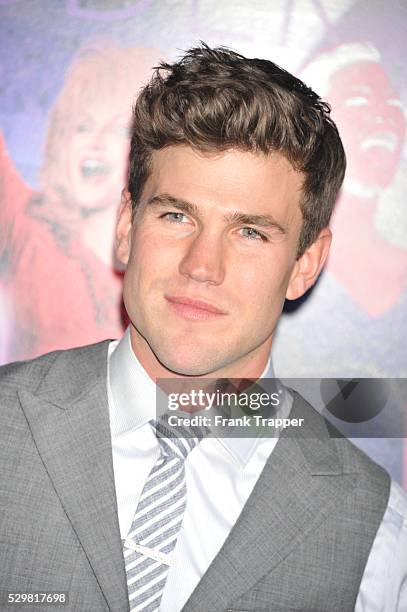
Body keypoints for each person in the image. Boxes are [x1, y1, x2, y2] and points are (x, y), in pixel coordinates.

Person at [1, 44, 406, 612]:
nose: (201, 267)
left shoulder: (377, 534)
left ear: (306, 264)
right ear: (125, 226)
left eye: (250, 233)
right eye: (176, 215)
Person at [0, 44, 160, 361]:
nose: (96, 141)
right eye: (83, 126)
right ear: (61, 140)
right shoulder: (28, 227)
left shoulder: (166, 265)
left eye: (118, 128)